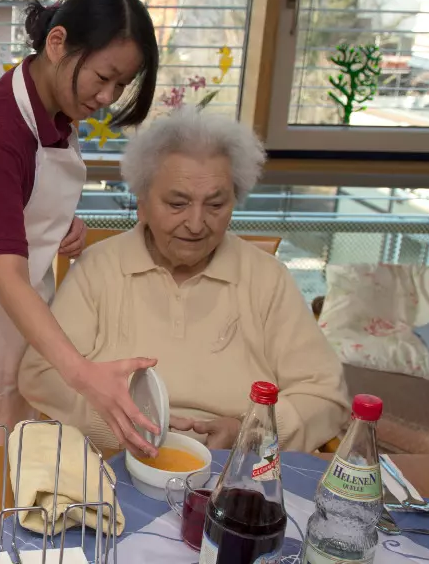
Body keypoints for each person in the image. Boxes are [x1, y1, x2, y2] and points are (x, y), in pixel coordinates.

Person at [19, 108, 351, 453]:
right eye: (177, 204)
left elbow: (325, 393)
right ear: (142, 203)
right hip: (113, 462)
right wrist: (126, 430)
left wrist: (249, 434)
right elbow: (41, 374)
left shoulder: (267, 278)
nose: (195, 224)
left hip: (234, 467)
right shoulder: (98, 268)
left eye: (216, 205)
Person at [0, 0, 163, 450]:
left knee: (27, 445)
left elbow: (22, 199)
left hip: (29, 300)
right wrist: (84, 375)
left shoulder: (54, 107)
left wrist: (58, 225)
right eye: (103, 77)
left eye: (121, 85)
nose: (108, 97)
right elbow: (7, 275)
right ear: (57, 43)